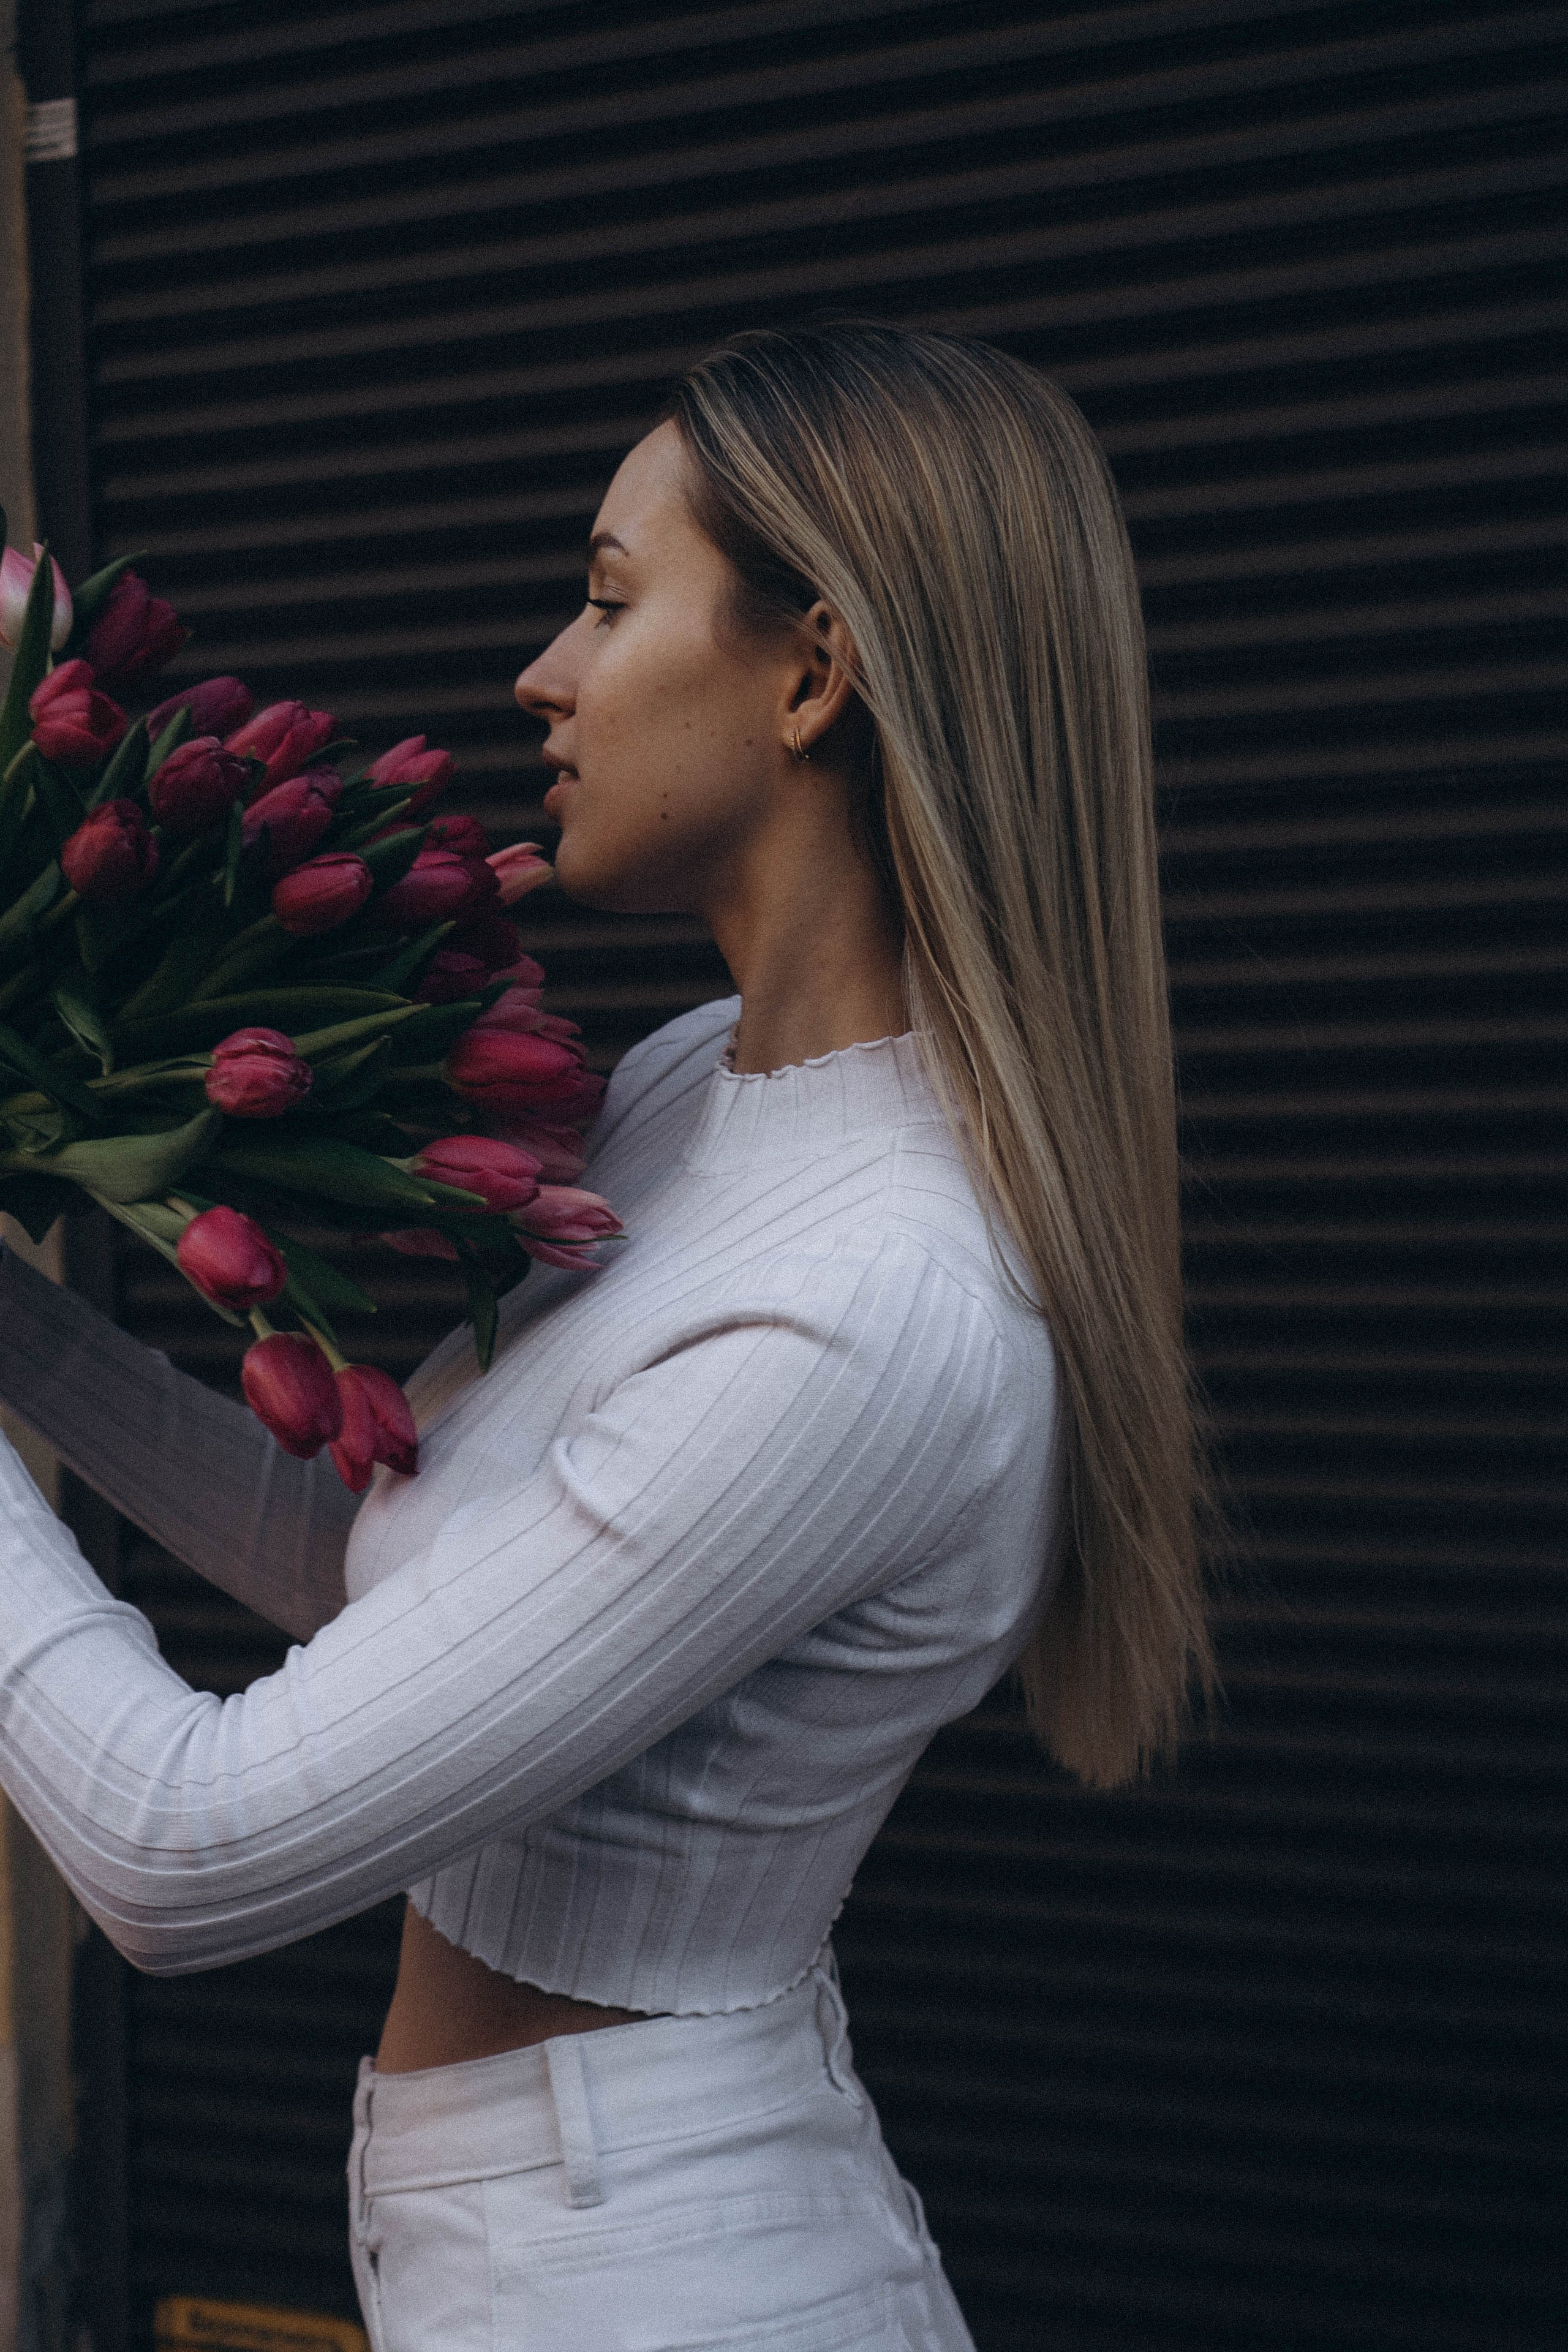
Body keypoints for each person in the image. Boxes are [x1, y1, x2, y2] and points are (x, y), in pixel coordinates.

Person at [0, 325, 1211, 2350]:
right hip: (525, 2227)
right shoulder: (684, 1092)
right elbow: (379, 1565)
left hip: (658, 2279)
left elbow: (176, 1852)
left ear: (814, 672)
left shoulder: (874, 1308)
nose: (541, 675)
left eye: (609, 598)